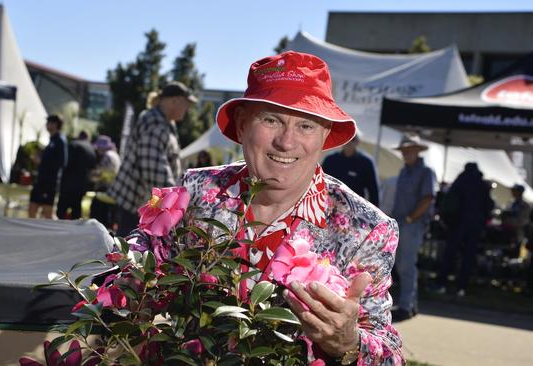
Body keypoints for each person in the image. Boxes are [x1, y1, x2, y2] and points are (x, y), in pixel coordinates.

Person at [126, 51, 403, 364]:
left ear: (325, 134)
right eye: (271, 120)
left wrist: (349, 342)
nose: (286, 142)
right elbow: (136, 268)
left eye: (306, 126)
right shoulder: (196, 191)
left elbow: (390, 355)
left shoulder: (365, 228)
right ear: (242, 125)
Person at [107, 81, 197, 236]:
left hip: (140, 202)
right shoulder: (155, 123)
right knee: (131, 252)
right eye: (186, 103)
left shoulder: (165, 122)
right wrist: (175, 202)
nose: (187, 108)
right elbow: (154, 169)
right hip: (138, 205)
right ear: (174, 101)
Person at [391, 133, 436, 321]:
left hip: (412, 223)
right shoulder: (404, 171)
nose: (406, 153)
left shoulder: (426, 172)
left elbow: (428, 198)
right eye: (404, 150)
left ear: (417, 151)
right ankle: (410, 304)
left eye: (409, 150)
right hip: (402, 222)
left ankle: (406, 306)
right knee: (402, 265)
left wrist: (411, 218)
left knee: (406, 265)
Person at [434, 163, 493, 296]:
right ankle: (461, 287)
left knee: (450, 254)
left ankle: (441, 283)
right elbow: (489, 206)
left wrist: (448, 220)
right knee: (468, 256)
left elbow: (448, 202)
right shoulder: (483, 185)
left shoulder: (460, 181)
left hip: (457, 224)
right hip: (475, 226)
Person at [321, 134, 379, 206]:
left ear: (358, 142)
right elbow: (320, 183)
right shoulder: (330, 159)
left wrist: (373, 215)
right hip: (330, 205)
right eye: (346, 138)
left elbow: (373, 191)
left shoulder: (366, 162)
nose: (348, 141)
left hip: (354, 209)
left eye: (352, 139)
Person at [28, 115, 67, 219]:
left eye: (49, 122)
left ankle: (57, 233)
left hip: (49, 183)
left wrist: (42, 162)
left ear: (55, 124)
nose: (46, 125)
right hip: (41, 181)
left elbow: (62, 162)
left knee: (48, 213)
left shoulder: (59, 141)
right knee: (32, 208)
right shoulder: (52, 140)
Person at [57, 132, 97, 220]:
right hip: (82, 187)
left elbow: (65, 163)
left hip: (68, 185)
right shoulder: (91, 149)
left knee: (61, 212)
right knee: (76, 212)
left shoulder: (73, 145)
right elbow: (93, 169)